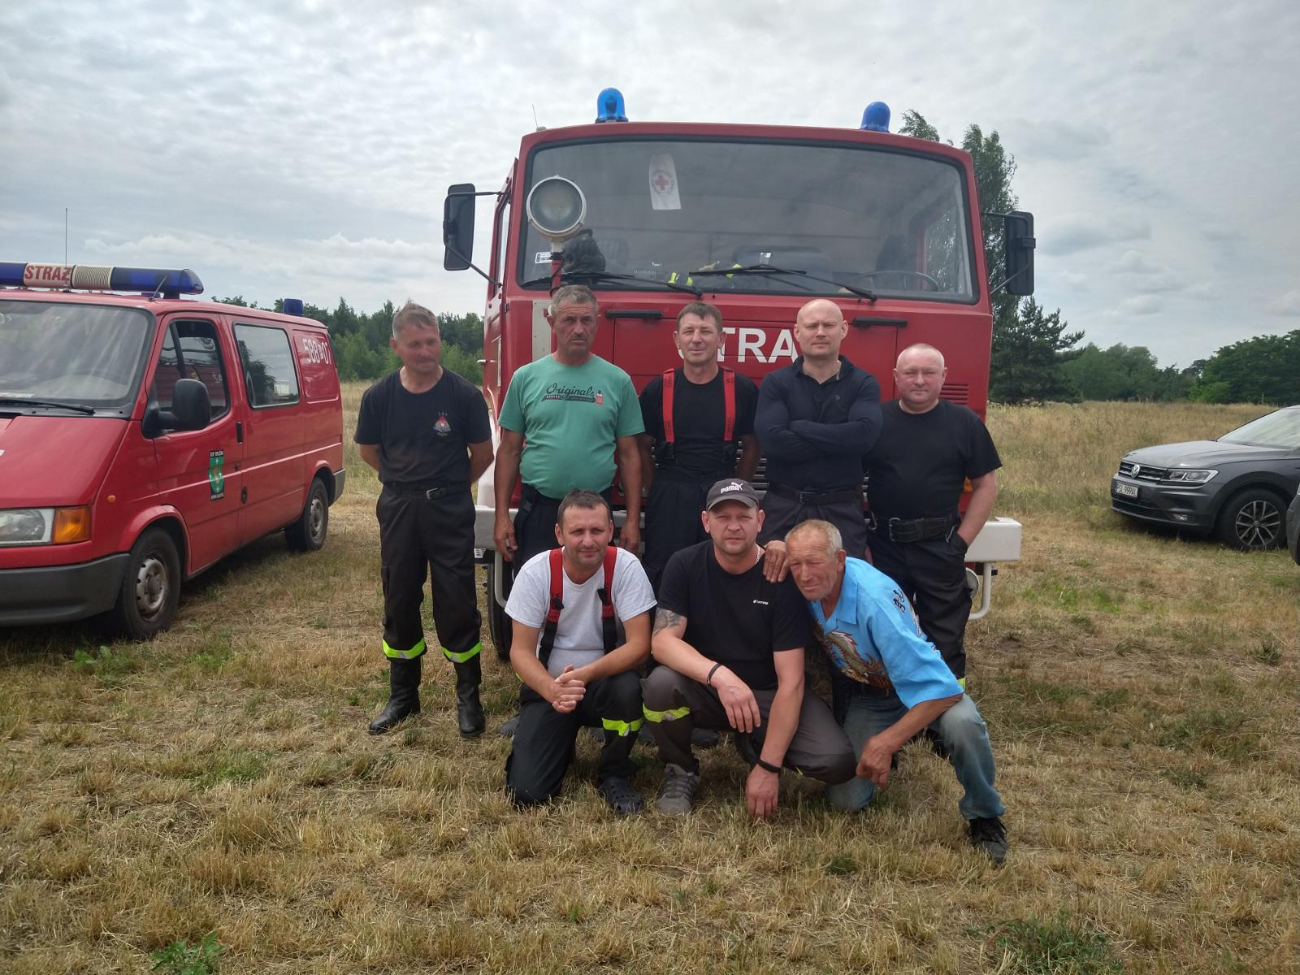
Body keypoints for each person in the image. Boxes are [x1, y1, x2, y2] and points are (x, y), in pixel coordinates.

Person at [784, 520, 1008, 864]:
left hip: (924, 692)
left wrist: (885, 742)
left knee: (963, 723)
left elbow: (944, 690)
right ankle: (886, 756)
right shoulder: (805, 586)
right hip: (873, 694)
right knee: (845, 800)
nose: (804, 575)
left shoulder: (874, 602)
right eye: (795, 564)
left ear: (840, 559)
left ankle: (985, 815)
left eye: (813, 563)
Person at [643, 479, 856, 818]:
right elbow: (662, 642)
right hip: (709, 689)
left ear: (760, 521)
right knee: (660, 685)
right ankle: (680, 770)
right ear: (705, 521)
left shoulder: (781, 578)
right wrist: (721, 676)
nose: (732, 526)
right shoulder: (683, 564)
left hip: (769, 693)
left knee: (836, 762)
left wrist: (769, 768)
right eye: (722, 516)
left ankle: (757, 744)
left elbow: (792, 682)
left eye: (742, 516)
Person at [355, 301, 493, 738]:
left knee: (456, 600)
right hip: (398, 508)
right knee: (399, 597)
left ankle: (468, 697)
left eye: (431, 341)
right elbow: (368, 452)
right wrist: (403, 485)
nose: (425, 351)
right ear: (396, 346)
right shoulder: (379, 397)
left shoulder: (463, 395)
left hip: (449, 509)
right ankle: (403, 696)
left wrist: (447, 487)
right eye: (415, 344)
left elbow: (483, 455)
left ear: (440, 340)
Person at [504, 490, 656, 814]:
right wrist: (551, 689)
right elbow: (520, 651)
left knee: (628, 689)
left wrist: (583, 675)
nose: (588, 541)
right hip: (550, 688)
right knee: (528, 794)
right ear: (559, 533)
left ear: (610, 531)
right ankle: (557, 742)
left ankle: (615, 771)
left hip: (604, 686)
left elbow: (640, 646)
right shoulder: (535, 573)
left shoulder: (627, 568)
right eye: (577, 532)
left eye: (597, 531)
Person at [865, 343, 1000, 685]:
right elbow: (850, 483)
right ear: (896, 377)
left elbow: (986, 486)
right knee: (885, 627)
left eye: (929, 373)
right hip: (885, 545)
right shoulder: (875, 421)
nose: (919, 381)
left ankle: (945, 710)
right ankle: (891, 701)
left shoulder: (965, 423)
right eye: (910, 373)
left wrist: (961, 543)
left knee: (945, 634)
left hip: (941, 546)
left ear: (944, 377)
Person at [493, 284, 644, 574]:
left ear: (597, 322)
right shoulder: (525, 378)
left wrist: (633, 520)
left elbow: (629, 455)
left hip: (595, 516)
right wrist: (501, 516)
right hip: (540, 511)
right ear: (551, 322)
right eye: (569, 320)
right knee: (535, 597)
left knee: (596, 597)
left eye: (586, 320)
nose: (578, 329)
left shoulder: (618, 381)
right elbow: (509, 451)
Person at [753, 298, 882, 582]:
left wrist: (800, 427)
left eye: (828, 325)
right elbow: (773, 442)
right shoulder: (776, 382)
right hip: (783, 508)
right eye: (812, 326)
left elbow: (863, 437)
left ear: (844, 329)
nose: (820, 332)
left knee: (845, 589)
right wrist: (839, 439)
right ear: (797, 333)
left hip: (841, 510)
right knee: (772, 589)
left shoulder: (864, 383)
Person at [637, 301, 759, 591]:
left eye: (705, 331)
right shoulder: (658, 388)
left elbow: (753, 446)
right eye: (689, 331)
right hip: (670, 492)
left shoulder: (741, 388)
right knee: (664, 572)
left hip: (721, 489)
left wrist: (737, 488)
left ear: (721, 339)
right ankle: (662, 635)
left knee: (722, 572)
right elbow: (640, 447)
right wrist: (657, 488)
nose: (696, 338)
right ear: (676, 339)